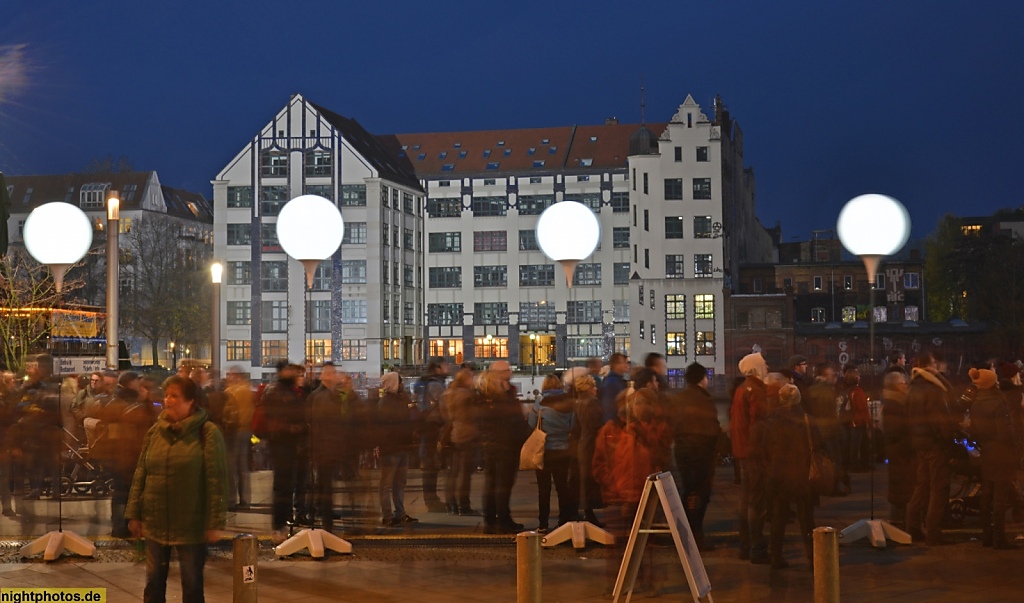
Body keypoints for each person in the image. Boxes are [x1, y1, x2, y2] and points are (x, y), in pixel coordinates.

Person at [127, 375, 229, 603]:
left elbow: (217, 481)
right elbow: (141, 474)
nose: (168, 401)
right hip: (155, 521)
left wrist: (215, 523)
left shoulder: (208, 434)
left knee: (192, 586)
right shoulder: (155, 432)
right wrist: (134, 514)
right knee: (153, 585)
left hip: (190, 525)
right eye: (166, 395)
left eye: (175, 396)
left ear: (191, 401)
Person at [754, 384, 816, 570]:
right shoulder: (806, 420)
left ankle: (776, 556)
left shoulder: (771, 420)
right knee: (807, 518)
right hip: (801, 474)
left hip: (778, 475)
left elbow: (763, 448)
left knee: (778, 517)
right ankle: (813, 557)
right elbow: (818, 445)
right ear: (798, 399)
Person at [93, 371, 155, 538]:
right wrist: (144, 402)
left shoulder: (117, 399)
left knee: (122, 491)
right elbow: (144, 422)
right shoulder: (129, 402)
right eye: (138, 383)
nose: (141, 386)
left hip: (120, 454)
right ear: (131, 384)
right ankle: (122, 526)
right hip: (127, 454)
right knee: (124, 492)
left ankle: (122, 525)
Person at [906, 352, 957, 546]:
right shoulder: (933, 388)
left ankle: (912, 527)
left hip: (919, 443)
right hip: (935, 444)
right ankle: (934, 532)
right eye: (936, 363)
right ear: (930, 366)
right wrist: (947, 439)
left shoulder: (912, 386)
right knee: (938, 487)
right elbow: (941, 420)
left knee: (922, 485)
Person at [670, 362, 721, 551]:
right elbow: (712, 429)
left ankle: (686, 534)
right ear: (702, 379)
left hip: (683, 450)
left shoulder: (678, 398)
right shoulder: (704, 400)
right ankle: (695, 537)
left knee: (689, 491)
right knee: (700, 493)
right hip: (701, 452)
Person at [969, 366, 1021, 549]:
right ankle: (999, 537)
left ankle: (987, 536)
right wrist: (1014, 447)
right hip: (1002, 452)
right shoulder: (998, 403)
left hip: (987, 452)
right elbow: (1005, 432)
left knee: (987, 494)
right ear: (991, 384)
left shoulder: (975, 403)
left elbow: (974, 431)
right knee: (1000, 496)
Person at [477, 361, 530, 533]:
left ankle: (490, 519)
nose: (510, 372)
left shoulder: (484, 394)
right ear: (498, 374)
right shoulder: (501, 395)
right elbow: (511, 420)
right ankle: (503, 518)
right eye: (507, 370)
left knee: (492, 482)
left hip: (491, 443)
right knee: (503, 484)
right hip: (504, 444)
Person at [262, 363, 310, 541]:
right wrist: (295, 428)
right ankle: (279, 526)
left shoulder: (290, 390)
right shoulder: (277, 391)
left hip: (289, 446)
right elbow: (276, 421)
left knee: (287, 487)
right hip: (281, 446)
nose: (295, 373)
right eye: (291, 370)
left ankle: (283, 523)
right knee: (282, 488)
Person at [730, 352, 770, 563]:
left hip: (743, 451)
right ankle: (757, 547)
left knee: (745, 500)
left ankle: (745, 545)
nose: (767, 367)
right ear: (756, 368)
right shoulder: (756, 390)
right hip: (754, 454)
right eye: (764, 364)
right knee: (756, 502)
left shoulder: (741, 389)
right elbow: (760, 423)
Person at [529, 374, 577, 532]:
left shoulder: (539, 402)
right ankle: (564, 521)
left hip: (544, 450)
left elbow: (531, 423)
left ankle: (543, 524)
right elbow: (572, 426)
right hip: (562, 449)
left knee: (543, 489)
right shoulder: (569, 404)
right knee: (562, 487)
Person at [308, 363, 346, 532]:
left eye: (333, 372)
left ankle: (324, 514)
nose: (333, 376)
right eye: (329, 373)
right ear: (323, 376)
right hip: (325, 447)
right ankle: (326, 519)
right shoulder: (323, 397)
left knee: (325, 484)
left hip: (326, 446)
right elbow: (322, 424)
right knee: (325, 485)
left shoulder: (330, 395)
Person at [377, 371, 418, 527]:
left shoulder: (400, 399)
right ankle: (387, 515)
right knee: (387, 484)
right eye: (400, 382)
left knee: (399, 483)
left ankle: (399, 513)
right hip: (391, 448)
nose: (402, 384)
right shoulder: (386, 403)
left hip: (401, 446)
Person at [442, 368, 480, 516]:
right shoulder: (468, 396)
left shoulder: (448, 394)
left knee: (453, 472)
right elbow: (475, 415)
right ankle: (464, 505)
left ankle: (451, 503)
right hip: (467, 434)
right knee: (465, 473)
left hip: (453, 433)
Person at [881, 370, 915, 528]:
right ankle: (896, 522)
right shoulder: (893, 405)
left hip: (899, 451)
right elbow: (894, 430)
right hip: (900, 452)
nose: (906, 386)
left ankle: (899, 521)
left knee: (901, 487)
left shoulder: (897, 402)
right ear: (895, 386)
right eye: (903, 383)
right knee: (899, 488)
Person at [415, 360, 448, 513]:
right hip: (433, 425)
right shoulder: (436, 385)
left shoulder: (423, 383)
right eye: (445, 365)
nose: (447, 368)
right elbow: (444, 404)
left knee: (428, 464)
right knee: (431, 465)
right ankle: (432, 500)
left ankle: (431, 499)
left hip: (425, 425)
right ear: (438, 368)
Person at [223, 367, 254, 510]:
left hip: (234, 431)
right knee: (243, 466)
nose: (228, 377)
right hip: (247, 430)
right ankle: (245, 499)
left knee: (231, 466)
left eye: (230, 375)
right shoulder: (249, 391)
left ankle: (231, 499)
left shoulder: (231, 392)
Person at [602, 353, 630, 423]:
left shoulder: (617, 380)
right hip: (615, 422)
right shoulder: (611, 382)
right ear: (616, 365)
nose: (627, 365)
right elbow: (609, 406)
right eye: (624, 362)